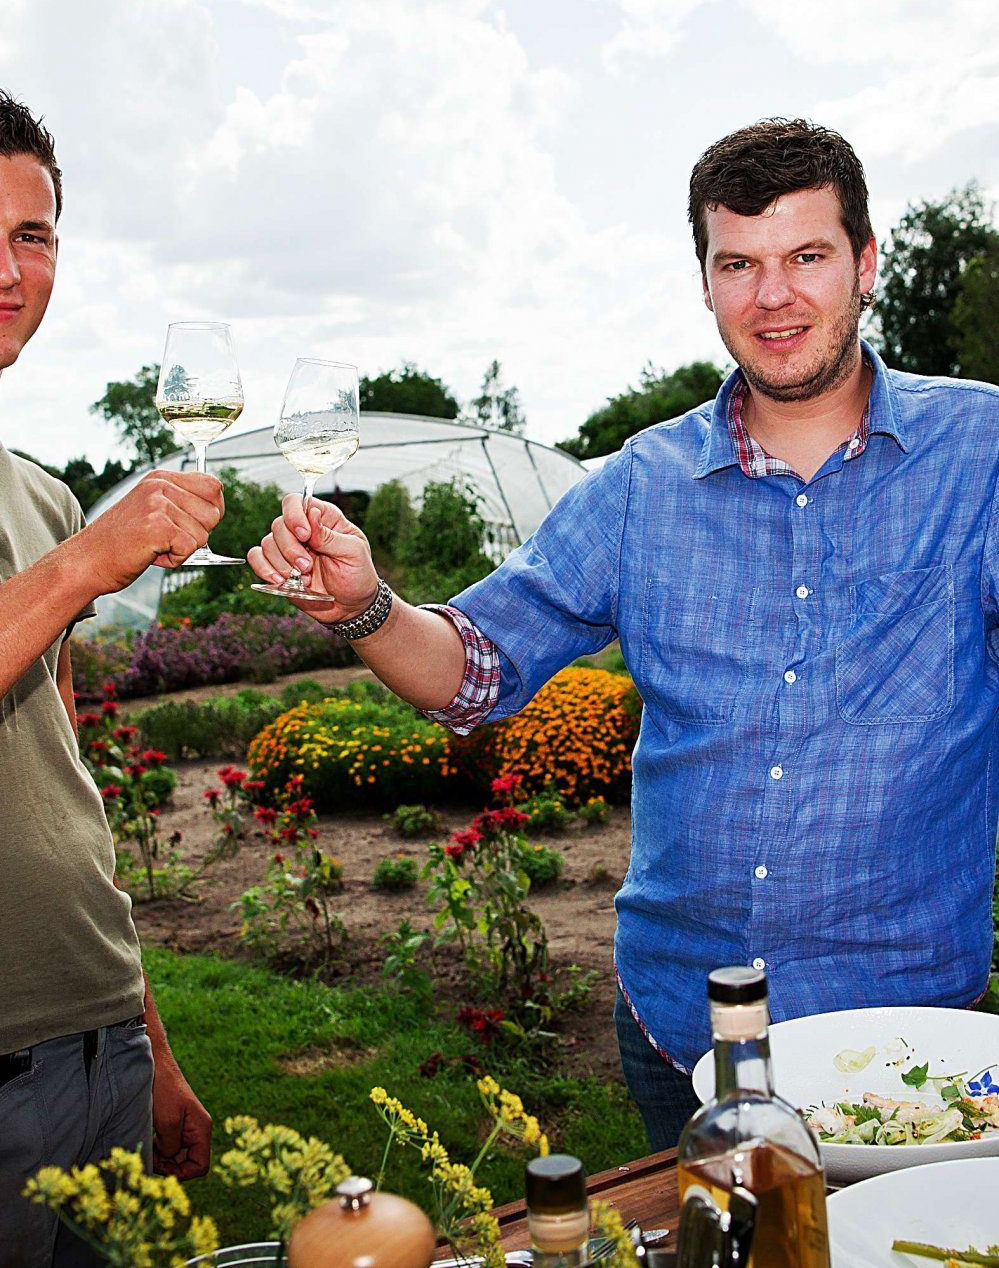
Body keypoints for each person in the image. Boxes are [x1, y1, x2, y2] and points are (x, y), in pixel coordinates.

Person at [247, 117, 999, 1151]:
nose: (772, 296)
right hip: (683, 1033)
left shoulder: (981, 455)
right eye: (738, 263)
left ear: (866, 264)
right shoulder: (643, 483)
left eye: (807, 257)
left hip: (909, 1038)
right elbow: (474, 671)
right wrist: (365, 606)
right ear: (705, 282)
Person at [0, 93, 222, 1266]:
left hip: (99, 1043)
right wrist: (92, 559)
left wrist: (150, 1046)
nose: (10, 268)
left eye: (33, 236)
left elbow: (65, 788)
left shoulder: (41, 497)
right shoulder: (70, 535)